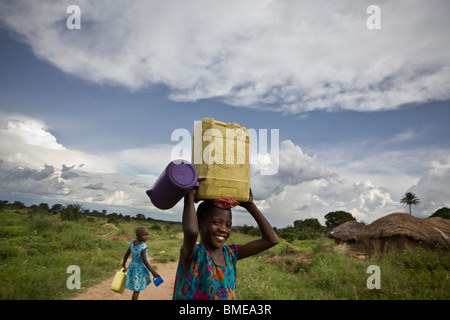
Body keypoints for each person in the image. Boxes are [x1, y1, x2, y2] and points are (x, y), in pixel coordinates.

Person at [173, 188, 278, 300]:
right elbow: (191, 232)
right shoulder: (194, 254)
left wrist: (250, 205)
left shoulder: (230, 254)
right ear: (199, 223)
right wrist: (189, 196)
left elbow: (271, 240)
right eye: (217, 222)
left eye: (228, 225)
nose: (223, 229)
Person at [122, 226, 160, 300]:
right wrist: (153, 272)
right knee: (137, 290)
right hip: (139, 270)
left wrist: (123, 264)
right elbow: (145, 261)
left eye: (147, 235)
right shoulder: (143, 247)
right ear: (138, 235)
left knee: (136, 288)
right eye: (144, 235)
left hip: (132, 267)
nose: (146, 237)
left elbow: (126, 255)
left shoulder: (132, 243)